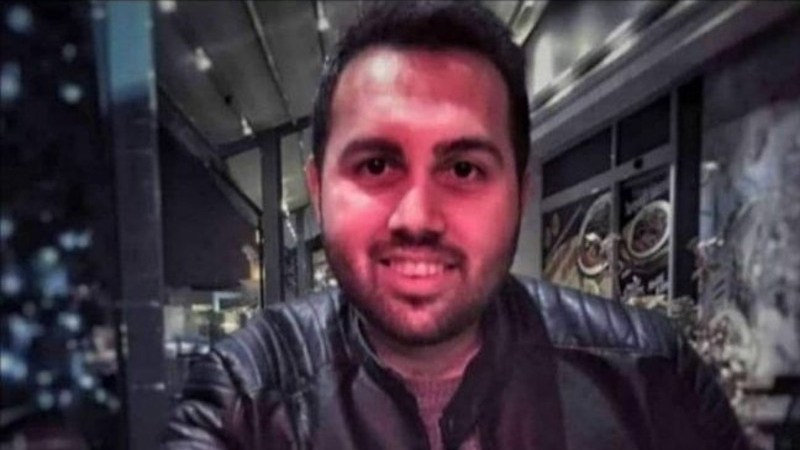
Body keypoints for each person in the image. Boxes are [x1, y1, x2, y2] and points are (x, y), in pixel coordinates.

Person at [163, 2, 748, 449]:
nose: (417, 217)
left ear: (521, 190)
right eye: (376, 166)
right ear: (317, 192)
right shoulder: (247, 393)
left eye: (464, 169)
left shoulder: (651, 379)